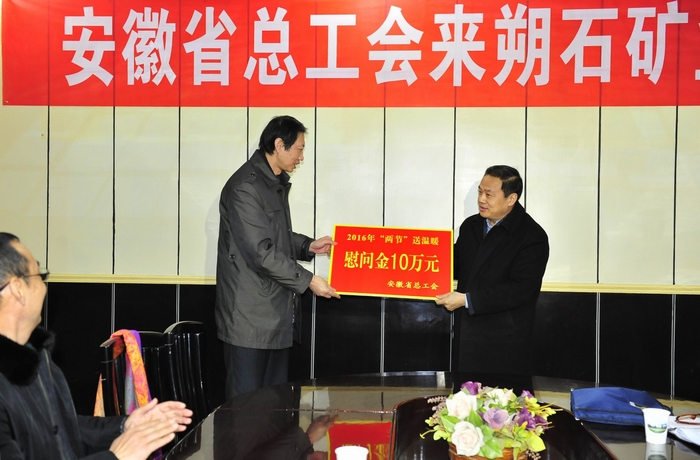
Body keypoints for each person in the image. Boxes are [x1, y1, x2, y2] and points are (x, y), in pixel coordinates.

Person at [0, 232, 193, 459]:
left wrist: (126, 426)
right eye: (39, 275)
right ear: (17, 289)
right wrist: (116, 456)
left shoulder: (36, 356)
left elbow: (60, 430)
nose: (44, 287)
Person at [216, 115, 340, 399]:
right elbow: (260, 252)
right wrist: (309, 281)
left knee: (272, 406)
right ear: (279, 145)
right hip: (249, 320)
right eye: (299, 148)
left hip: (274, 315)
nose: (301, 157)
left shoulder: (271, 182)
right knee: (246, 408)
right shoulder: (246, 187)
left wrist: (308, 246)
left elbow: (274, 235)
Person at [435, 165, 549, 375]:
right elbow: (455, 265)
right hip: (466, 336)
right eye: (480, 192)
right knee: (465, 394)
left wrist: (467, 300)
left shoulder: (531, 236)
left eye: (489, 194)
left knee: (500, 397)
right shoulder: (470, 226)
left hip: (504, 342)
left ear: (511, 199)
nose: (481, 199)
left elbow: (520, 289)